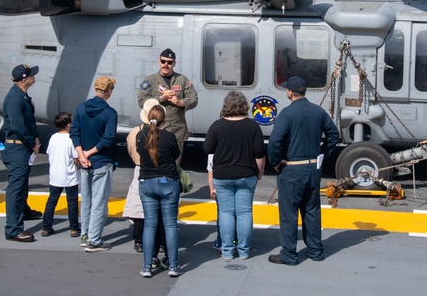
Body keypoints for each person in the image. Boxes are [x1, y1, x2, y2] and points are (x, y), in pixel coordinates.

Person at [267, 76, 340, 266]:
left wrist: (275, 162)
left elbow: (275, 141)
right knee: (312, 210)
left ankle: (289, 254)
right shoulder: (318, 111)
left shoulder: (287, 113)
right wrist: (322, 154)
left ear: (290, 92)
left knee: (289, 213)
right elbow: (333, 135)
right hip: (313, 167)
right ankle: (316, 250)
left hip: (292, 169)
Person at [205, 91, 266, 260]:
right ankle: (244, 250)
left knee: (225, 213)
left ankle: (227, 250)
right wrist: (259, 172)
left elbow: (207, 148)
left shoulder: (217, 126)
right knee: (244, 212)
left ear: (226, 106)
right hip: (247, 174)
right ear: (244, 106)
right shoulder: (253, 126)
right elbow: (259, 153)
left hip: (222, 175)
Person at [71, 75, 119, 252]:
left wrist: (81, 154)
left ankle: (85, 235)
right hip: (101, 161)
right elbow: (107, 140)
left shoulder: (81, 108)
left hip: (84, 162)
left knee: (87, 200)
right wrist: (90, 153)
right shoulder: (110, 113)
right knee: (100, 202)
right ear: (108, 92)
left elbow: (74, 132)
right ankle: (94, 240)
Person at [135, 104, 183, 278]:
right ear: (164, 119)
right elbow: (176, 155)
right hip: (167, 182)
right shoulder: (170, 137)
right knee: (170, 225)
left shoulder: (140, 136)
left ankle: (147, 266)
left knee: (149, 224)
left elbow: (140, 153)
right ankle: (173, 265)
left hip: (146, 182)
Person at [1, 64, 43, 243]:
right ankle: (13, 229)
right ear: (24, 79)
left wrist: (34, 138)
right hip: (17, 148)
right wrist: (31, 142)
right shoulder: (15, 98)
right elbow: (18, 126)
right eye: (31, 75)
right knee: (16, 190)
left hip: (22, 147)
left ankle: (24, 212)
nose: (34, 77)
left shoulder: (22, 96)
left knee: (22, 186)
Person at [125, 98, 167, 267]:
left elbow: (129, 150)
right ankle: (163, 243)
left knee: (138, 208)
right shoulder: (165, 134)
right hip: (160, 171)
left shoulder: (135, 132)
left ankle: (138, 240)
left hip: (139, 169)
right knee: (162, 209)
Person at [137, 48, 198, 157]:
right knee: (156, 161)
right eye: (163, 61)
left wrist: (180, 103)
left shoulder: (182, 80)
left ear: (174, 63)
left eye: (169, 62)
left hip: (177, 130)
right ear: (159, 62)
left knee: (175, 165)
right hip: (156, 130)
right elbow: (142, 102)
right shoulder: (150, 80)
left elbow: (193, 99)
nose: (166, 65)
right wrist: (160, 99)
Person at [40, 111, 81, 238]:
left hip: (55, 175)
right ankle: (74, 228)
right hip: (69, 176)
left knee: (52, 201)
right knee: (72, 203)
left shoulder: (53, 138)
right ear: (69, 125)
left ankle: (46, 227)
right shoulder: (71, 139)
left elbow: (49, 153)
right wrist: (78, 167)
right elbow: (75, 158)